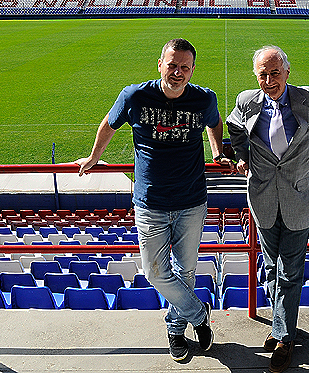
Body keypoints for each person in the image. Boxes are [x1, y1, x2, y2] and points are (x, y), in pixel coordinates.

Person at [76, 38, 233, 362]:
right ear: (160, 64)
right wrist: (94, 156)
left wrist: (217, 151)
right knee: (155, 273)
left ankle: (175, 331)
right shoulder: (135, 96)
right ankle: (199, 315)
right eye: (172, 65)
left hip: (191, 201)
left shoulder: (203, 98)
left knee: (186, 272)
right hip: (150, 202)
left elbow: (215, 123)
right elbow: (110, 123)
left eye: (184, 67)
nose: (177, 72)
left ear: (192, 70)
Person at [226, 46, 309, 373]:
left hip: (299, 197)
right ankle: (280, 323)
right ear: (255, 75)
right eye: (263, 74)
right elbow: (232, 127)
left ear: (287, 72)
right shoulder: (247, 101)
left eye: (275, 73)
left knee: (289, 271)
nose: (269, 80)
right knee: (271, 267)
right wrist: (241, 155)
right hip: (262, 198)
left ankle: (284, 339)